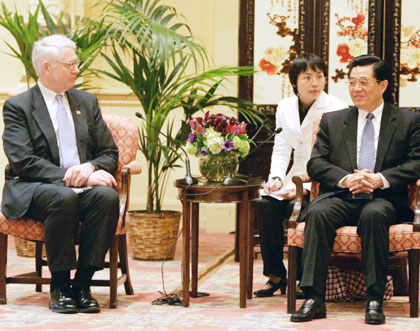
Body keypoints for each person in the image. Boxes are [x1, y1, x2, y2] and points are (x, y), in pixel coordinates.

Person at [290, 55, 420, 324]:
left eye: (363, 82)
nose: (356, 88)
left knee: (373, 215)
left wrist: (380, 179)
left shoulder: (407, 121)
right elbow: (316, 163)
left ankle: (374, 298)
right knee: (318, 213)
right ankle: (314, 297)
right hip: (342, 195)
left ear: (382, 85)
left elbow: (416, 163)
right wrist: (347, 179)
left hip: (383, 198)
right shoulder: (334, 121)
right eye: (351, 82)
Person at [1, 35, 120, 314]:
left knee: (106, 197)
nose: (76, 69)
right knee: (63, 197)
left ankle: (82, 285)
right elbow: (23, 162)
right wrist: (73, 175)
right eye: (70, 64)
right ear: (46, 67)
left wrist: (90, 168)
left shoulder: (86, 102)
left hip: (81, 186)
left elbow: (109, 153)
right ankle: (59, 285)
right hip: (34, 186)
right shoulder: (19, 106)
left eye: (76, 63)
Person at [253, 54, 347, 298]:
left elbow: (337, 158)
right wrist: (275, 178)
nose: (315, 83)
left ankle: (304, 277)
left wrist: (304, 186)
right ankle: (275, 275)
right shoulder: (285, 106)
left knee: (308, 213)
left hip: (322, 182)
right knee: (266, 206)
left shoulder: (337, 108)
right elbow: (282, 147)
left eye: (319, 76)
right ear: (295, 81)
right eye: (307, 77)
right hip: (293, 178)